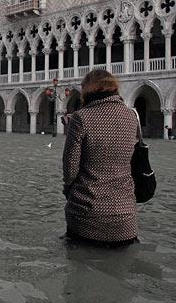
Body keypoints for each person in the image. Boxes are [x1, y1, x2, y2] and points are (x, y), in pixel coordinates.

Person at [62, 69, 139, 248]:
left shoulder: (81, 117)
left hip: (86, 216)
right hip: (125, 218)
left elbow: (70, 167)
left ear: (88, 89)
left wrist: (68, 190)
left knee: (79, 266)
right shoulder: (131, 116)